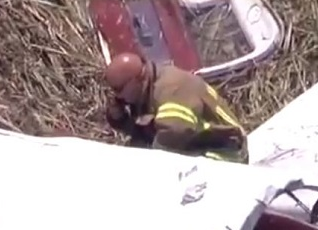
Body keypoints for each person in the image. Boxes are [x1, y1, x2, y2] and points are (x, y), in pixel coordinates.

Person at [101, 52, 248, 163]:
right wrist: (119, 119)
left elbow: (176, 130)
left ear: (135, 81)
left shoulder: (171, 89)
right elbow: (146, 132)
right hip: (196, 145)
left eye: (118, 89)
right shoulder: (146, 91)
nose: (117, 95)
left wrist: (148, 161)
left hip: (225, 152)